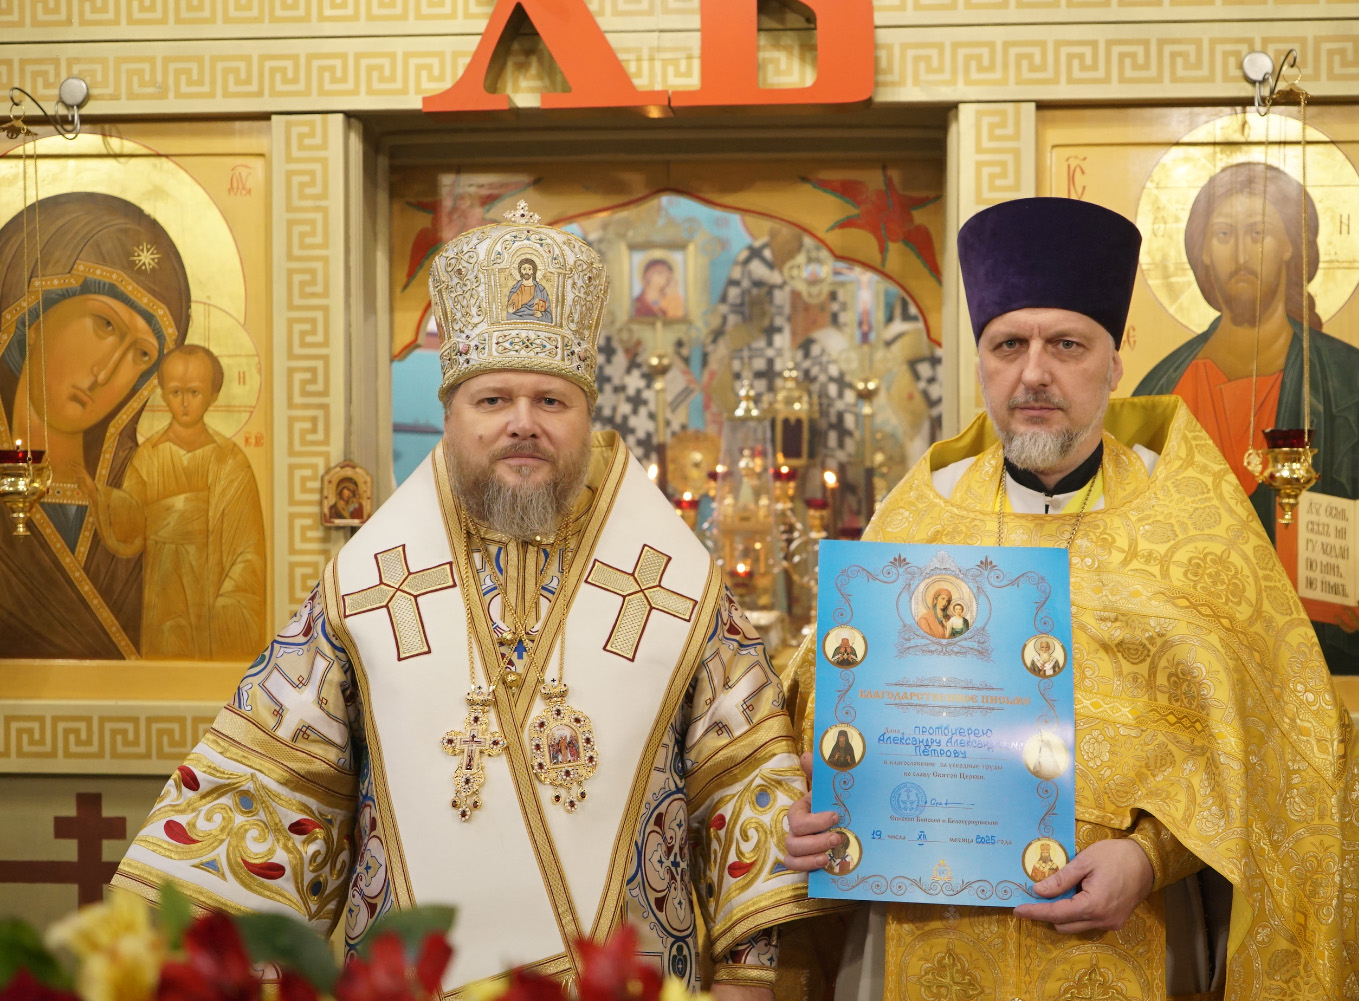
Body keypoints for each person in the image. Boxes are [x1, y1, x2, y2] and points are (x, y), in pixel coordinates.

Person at [113, 204, 834, 995]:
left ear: (588, 414)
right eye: (493, 401)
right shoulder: (371, 583)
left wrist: (745, 975)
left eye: (551, 401)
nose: (523, 424)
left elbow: (745, 783)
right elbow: (271, 785)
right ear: (450, 416)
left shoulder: (673, 580)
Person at [782, 197, 1359, 999]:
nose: (1034, 372)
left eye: (1066, 344)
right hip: (926, 932)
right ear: (982, 361)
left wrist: (1150, 857)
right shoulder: (918, 516)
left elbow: (1279, 746)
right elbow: (825, 714)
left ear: (1113, 363)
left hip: (1132, 937)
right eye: (1009, 344)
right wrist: (814, 801)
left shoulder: (1191, 520)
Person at [1134, 162, 1359, 676]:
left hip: (1314, 675)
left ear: (1290, 248)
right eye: (1224, 234)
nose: (1241, 253)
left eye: (1259, 233)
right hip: (1187, 674)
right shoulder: (1158, 393)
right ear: (1201, 251)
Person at [0, 192, 190, 659]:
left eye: (141, 355)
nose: (107, 373)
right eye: (104, 324)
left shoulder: (138, 506)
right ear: (33, 318)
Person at [88, 344, 266, 660]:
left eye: (194, 392)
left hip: (211, 582)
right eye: (175, 392)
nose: (183, 403)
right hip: (163, 584)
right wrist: (103, 500)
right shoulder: (148, 456)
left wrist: (229, 606)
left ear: (213, 394)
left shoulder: (230, 461)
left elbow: (246, 547)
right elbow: (132, 529)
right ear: (162, 392)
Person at [505, 256, 552, 321]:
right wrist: (509, 310)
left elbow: (549, 316)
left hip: (535, 322)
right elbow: (508, 314)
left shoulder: (541, 290)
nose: (526, 272)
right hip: (517, 319)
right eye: (524, 269)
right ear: (520, 271)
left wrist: (541, 315)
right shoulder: (515, 289)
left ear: (533, 271)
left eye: (529, 269)